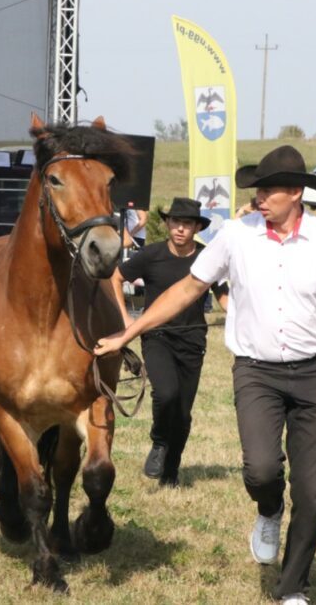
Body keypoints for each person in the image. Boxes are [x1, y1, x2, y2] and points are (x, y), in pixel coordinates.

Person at [94, 145, 316, 605]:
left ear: (295, 193)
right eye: (257, 191)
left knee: (312, 495)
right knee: (261, 470)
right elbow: (188, 289)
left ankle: (292, 588)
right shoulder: (235, 236)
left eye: (269, 190)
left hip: (315, 376)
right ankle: (269, 510)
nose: (259, 198)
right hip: (256, 374)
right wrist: (127, 332)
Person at [109, 197, 224, 487]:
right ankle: (159, 443)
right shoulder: (151, 255)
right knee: (166, 394)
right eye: (176, 222)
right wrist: (126, 321)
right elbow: (115, 277)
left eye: (187, 224)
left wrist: (238, 314)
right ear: (168, 224)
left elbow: (222, 295)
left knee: (183, 415)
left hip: (193, 341)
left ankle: (171, 471)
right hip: (157, 337)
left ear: (197, 227)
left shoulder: (207, 256)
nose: (180, 229)